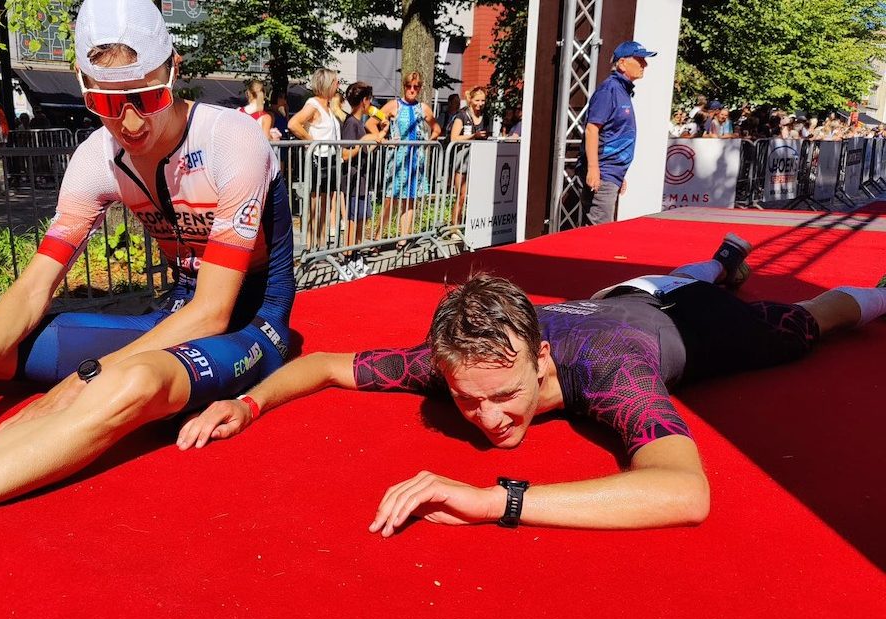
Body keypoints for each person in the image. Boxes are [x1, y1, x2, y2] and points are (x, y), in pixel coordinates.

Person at [0, 0, 295, 565]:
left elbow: (214, 313)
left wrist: (89, 376)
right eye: (106, 104)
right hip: (175, 317)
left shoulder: (230, 139)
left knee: (127, 382)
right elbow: (35, 283)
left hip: (251, 328)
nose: (131, 123)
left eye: (147, 98)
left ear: (173, 70)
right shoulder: (97, 156)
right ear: (85, 89)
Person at [178, 234, 886, 535]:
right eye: (467, 399)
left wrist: (499, 500)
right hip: (617, 294)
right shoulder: (457, 360)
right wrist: (246, 402)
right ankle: (717, 263)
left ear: (541, 359)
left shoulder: (608, 373)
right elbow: (327, 362)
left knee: (800, 326)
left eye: (506, 394)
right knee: (653, 282)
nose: (487, 418)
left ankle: (866, 290)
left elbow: (686, 491)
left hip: (685, 324)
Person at [579, 41, 656, 226]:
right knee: (599, 233)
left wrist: (618, 175)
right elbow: (592, 129)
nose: (644, 64)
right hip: (603, 173)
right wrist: (594, 169)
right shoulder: (609, 90)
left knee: (602, 231)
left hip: (610, 173)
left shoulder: (621, 90)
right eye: (640, 59)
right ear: (622, 63)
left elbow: (615, 132)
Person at [373, 71, 442, 245]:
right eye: (409, 86)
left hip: (415, 159)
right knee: (390, 199)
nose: (412, 89)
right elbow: (370, 122)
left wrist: (427, 142)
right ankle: (377, 238)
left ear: (420, 88)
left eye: (416, 87)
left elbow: (437, 129)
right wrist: (382, 137)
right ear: (404, 86)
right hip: (396, 159)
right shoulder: (393, 105)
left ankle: (403, 238)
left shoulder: (423, 108)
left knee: (410, 199)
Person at [288, 68, 342, 250]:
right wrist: (311, 141)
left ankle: (320, 245)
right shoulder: (313, 104)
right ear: (327, 84)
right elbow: (293, 123)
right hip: (319, 159)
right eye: (336, 82)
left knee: (325, 204)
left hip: (332, 159)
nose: (338, 85)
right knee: (314, 205)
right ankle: (310, 246)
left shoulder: (329, 105)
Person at [339, 81, 386, 277]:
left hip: (362, 179)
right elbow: (345, 154)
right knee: (352, 221)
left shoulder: (359, 123)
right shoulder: (351, 123)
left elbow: (365, 149)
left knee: (361, 219)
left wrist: (380, 134)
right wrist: (363, 141)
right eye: (370, 99)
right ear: (365, 101)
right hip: (352, 179)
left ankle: (356, 256)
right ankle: (347, 260)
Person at [449, 86, 489, 227]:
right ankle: (455, 226)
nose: (480, 104)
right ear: (470, 99)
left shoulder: (486, 116)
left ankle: (473, 226)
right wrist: (474, 136)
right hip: (462, 159)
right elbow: (454, 138)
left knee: (477, 196)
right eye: (477, 100)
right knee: (461, 195)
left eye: (483, 100)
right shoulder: (462, 115)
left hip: (479, 159)